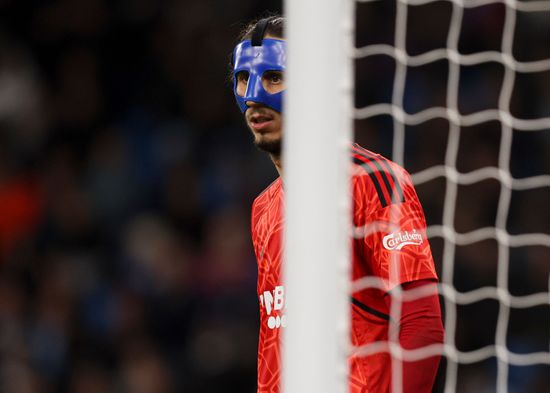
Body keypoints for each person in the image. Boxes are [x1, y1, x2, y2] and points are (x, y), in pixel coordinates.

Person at [230, 15, 445, 393]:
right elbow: (274, 341)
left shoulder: (372, 180)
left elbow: (422, 323)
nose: (253, 97)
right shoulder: (262, 209)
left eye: (274, 78)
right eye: (244, 79)